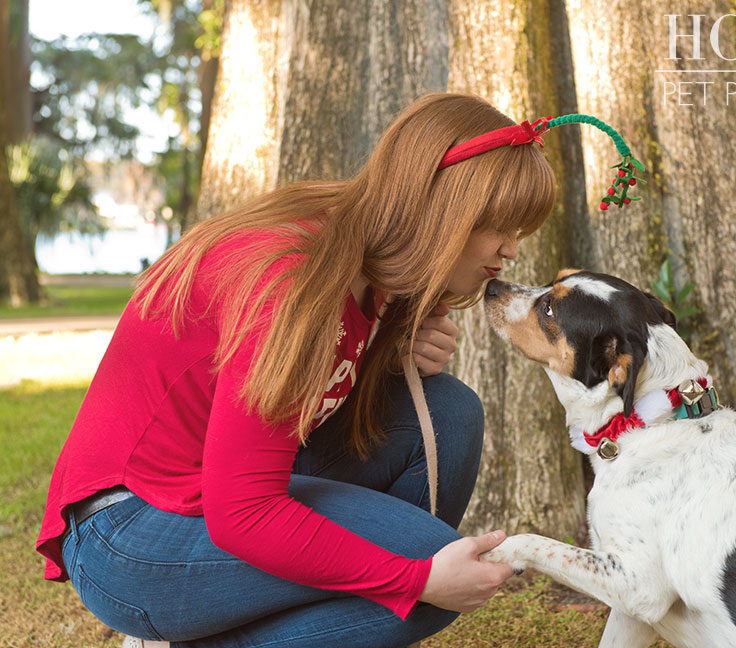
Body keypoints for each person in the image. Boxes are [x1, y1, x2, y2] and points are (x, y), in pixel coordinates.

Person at [35, 92, 558, 648]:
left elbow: (304, 416)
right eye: (501, 225)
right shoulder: (292, 281)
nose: (512, 250)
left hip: (213, 493)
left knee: (449, 413)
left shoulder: (374, 263)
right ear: (444, 206)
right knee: (426, 581)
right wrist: (411, 579)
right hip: (126, 534)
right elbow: (243, 511)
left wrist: (390, 351)